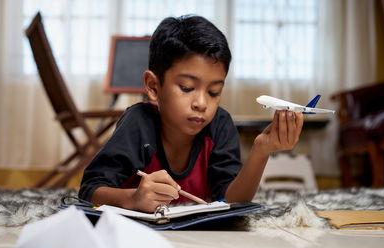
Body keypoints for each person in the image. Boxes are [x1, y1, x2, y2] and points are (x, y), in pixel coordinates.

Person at [79, 15, 304, 213]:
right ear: (153, 87)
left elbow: (232, 202)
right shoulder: (139, 122)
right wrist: (133, 198)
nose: (201, 103)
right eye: (186, 88)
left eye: (214, 91)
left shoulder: (220, 125)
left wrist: (261, 150)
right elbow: (89, 190)